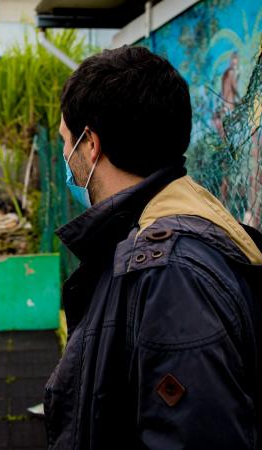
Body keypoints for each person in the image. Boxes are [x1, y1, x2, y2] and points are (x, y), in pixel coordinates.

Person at [45, 45, 262, 449]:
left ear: (90, 144)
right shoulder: (145, 237)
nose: (64, 155)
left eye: (66, 141)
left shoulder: (170, 274)